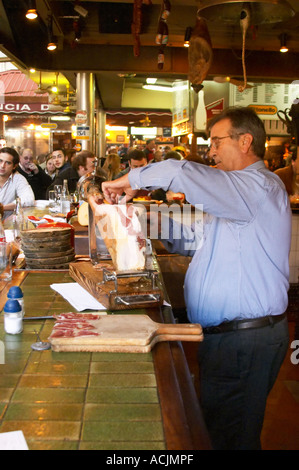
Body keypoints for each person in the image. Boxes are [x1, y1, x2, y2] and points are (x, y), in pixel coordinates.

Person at [101, 106, 291, 450]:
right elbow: (194, 237)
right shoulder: (237, 198)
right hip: (230, 339)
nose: (211, 151)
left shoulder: (257, 186)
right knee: (222, 431)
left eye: (217, 142)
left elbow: (180, 171)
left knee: (229, 439)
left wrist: (128, 180)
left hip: (245, 340)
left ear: (245, 141)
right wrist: (137, 217)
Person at [0, 147, 34, 219]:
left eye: (8, 163)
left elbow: (29, 199)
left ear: (14, 166)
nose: (2, 166)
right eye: (0, 161)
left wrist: (3, 208)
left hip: (7, 225)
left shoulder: (18, 179)